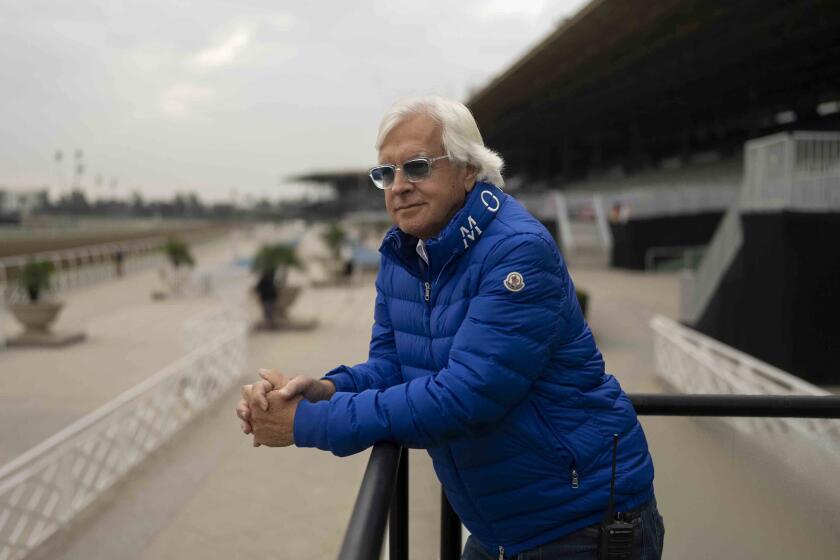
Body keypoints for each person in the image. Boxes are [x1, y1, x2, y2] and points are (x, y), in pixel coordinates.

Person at [236, 96, 664, 559]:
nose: (398, 186)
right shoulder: (404, 253)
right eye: (386, 173)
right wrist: (323, 390)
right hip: (499, 527)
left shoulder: (517, 250)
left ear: (467, 170)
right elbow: (393, 367)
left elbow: (466, 396)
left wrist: (305, 424)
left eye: (416, 167)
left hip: (581, 524)